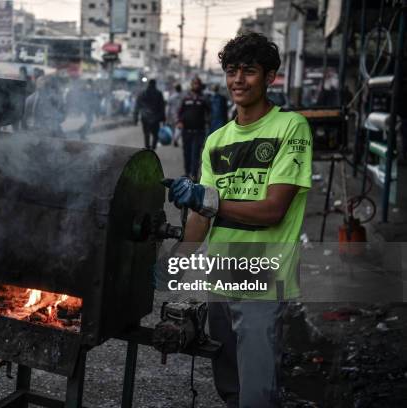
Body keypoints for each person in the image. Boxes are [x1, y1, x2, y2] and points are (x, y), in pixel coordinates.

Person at [165, 32, 312, 407]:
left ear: (270, 78)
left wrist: (207, 198)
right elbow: (202, 216)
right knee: (229, 387)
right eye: (232, 71)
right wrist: (176, 262)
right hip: (222, 276)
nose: (238, 80)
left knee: (258, 393)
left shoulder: (290, 128)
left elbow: (272, 209)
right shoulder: (217, 140)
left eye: (249, 71)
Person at [177, 76, 209, 179]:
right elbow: (180, 112)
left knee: (196, 154)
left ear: (200, 85)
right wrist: (179, 121)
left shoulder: (204, 99)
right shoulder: (186, 98)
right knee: (187, 153)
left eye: (197, 84)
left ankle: (194, 175)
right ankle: (187, 174)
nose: (195, 85)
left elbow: (210, 113)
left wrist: (208, 122)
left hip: (199, 131)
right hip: (186, 131)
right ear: (191, 85)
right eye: (194, 83)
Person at [133, 79, 166, 150]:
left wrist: (135, 118)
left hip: (145, 118)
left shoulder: (143, 93)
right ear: (155, 84)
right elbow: (162, 106)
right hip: (155, 118)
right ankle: (153, 148)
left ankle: (147, 147)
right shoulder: (159, 93)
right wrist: (163, 119)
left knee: (146, 134)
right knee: (155, 135)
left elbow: (137, 106)